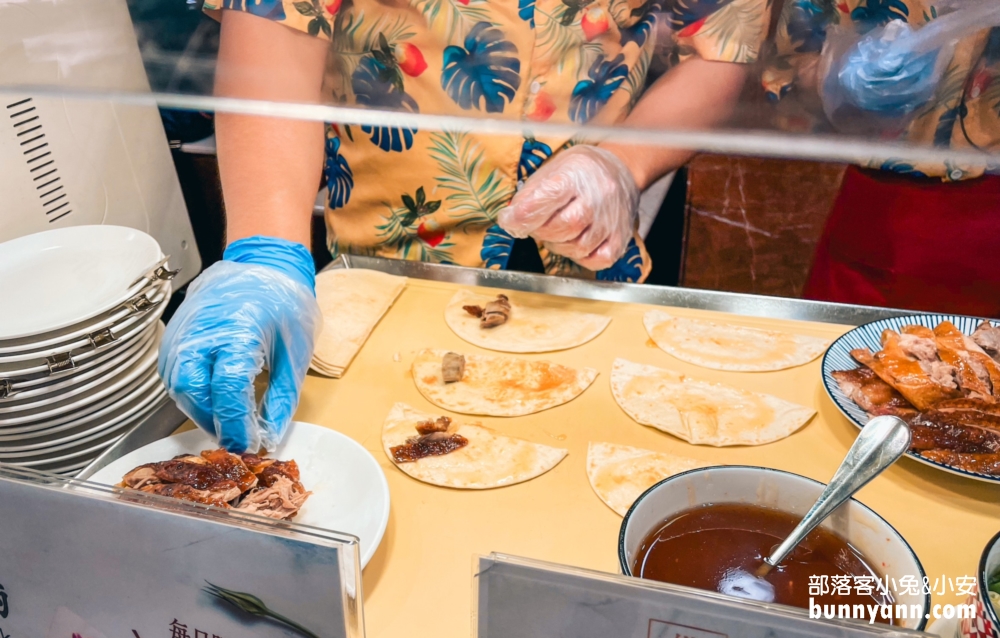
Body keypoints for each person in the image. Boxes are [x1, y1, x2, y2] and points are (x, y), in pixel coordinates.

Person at [160, 0, 770, 451]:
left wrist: (621, 163)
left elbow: (720, 49)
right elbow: (275, 22)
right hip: (388, 263)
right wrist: (265, 251)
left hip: (585, 238)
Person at [764, 0, 1000, 317]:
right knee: (848, 360)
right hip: (888, 211)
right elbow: (789, 67)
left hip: (982, 210)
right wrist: (839, 80)